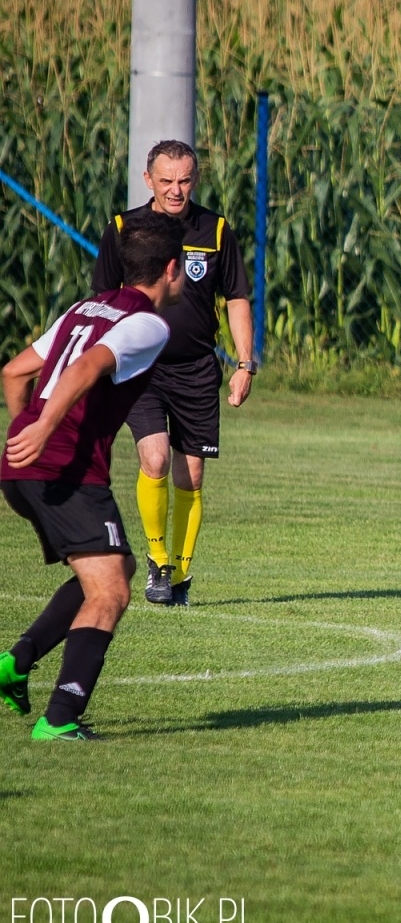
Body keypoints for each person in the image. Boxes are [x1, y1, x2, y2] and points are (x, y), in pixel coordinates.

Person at [0, 216, 185, 740]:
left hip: (23, 467)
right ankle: (59, 719)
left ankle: (16, 662)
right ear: (170, 270)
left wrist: (25, 435)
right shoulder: (149, 324)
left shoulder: (86, 306)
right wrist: (44, 431)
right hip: (62, 467)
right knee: (110, 593)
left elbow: (14, 371)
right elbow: (87, 368)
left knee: (115, 568)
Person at [92, 140, 256, 607]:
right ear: (149, 181)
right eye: (166, 181)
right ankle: (158, 562)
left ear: (195, 179)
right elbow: (100, 300)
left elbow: (238, 297)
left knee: (192, 476)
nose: (175, 190)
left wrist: (245, 364)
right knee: (155, 459)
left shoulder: (215, 229)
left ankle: (180, 576)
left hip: (198, 369)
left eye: (184, 180)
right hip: (141, 366)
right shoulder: (124, 229)